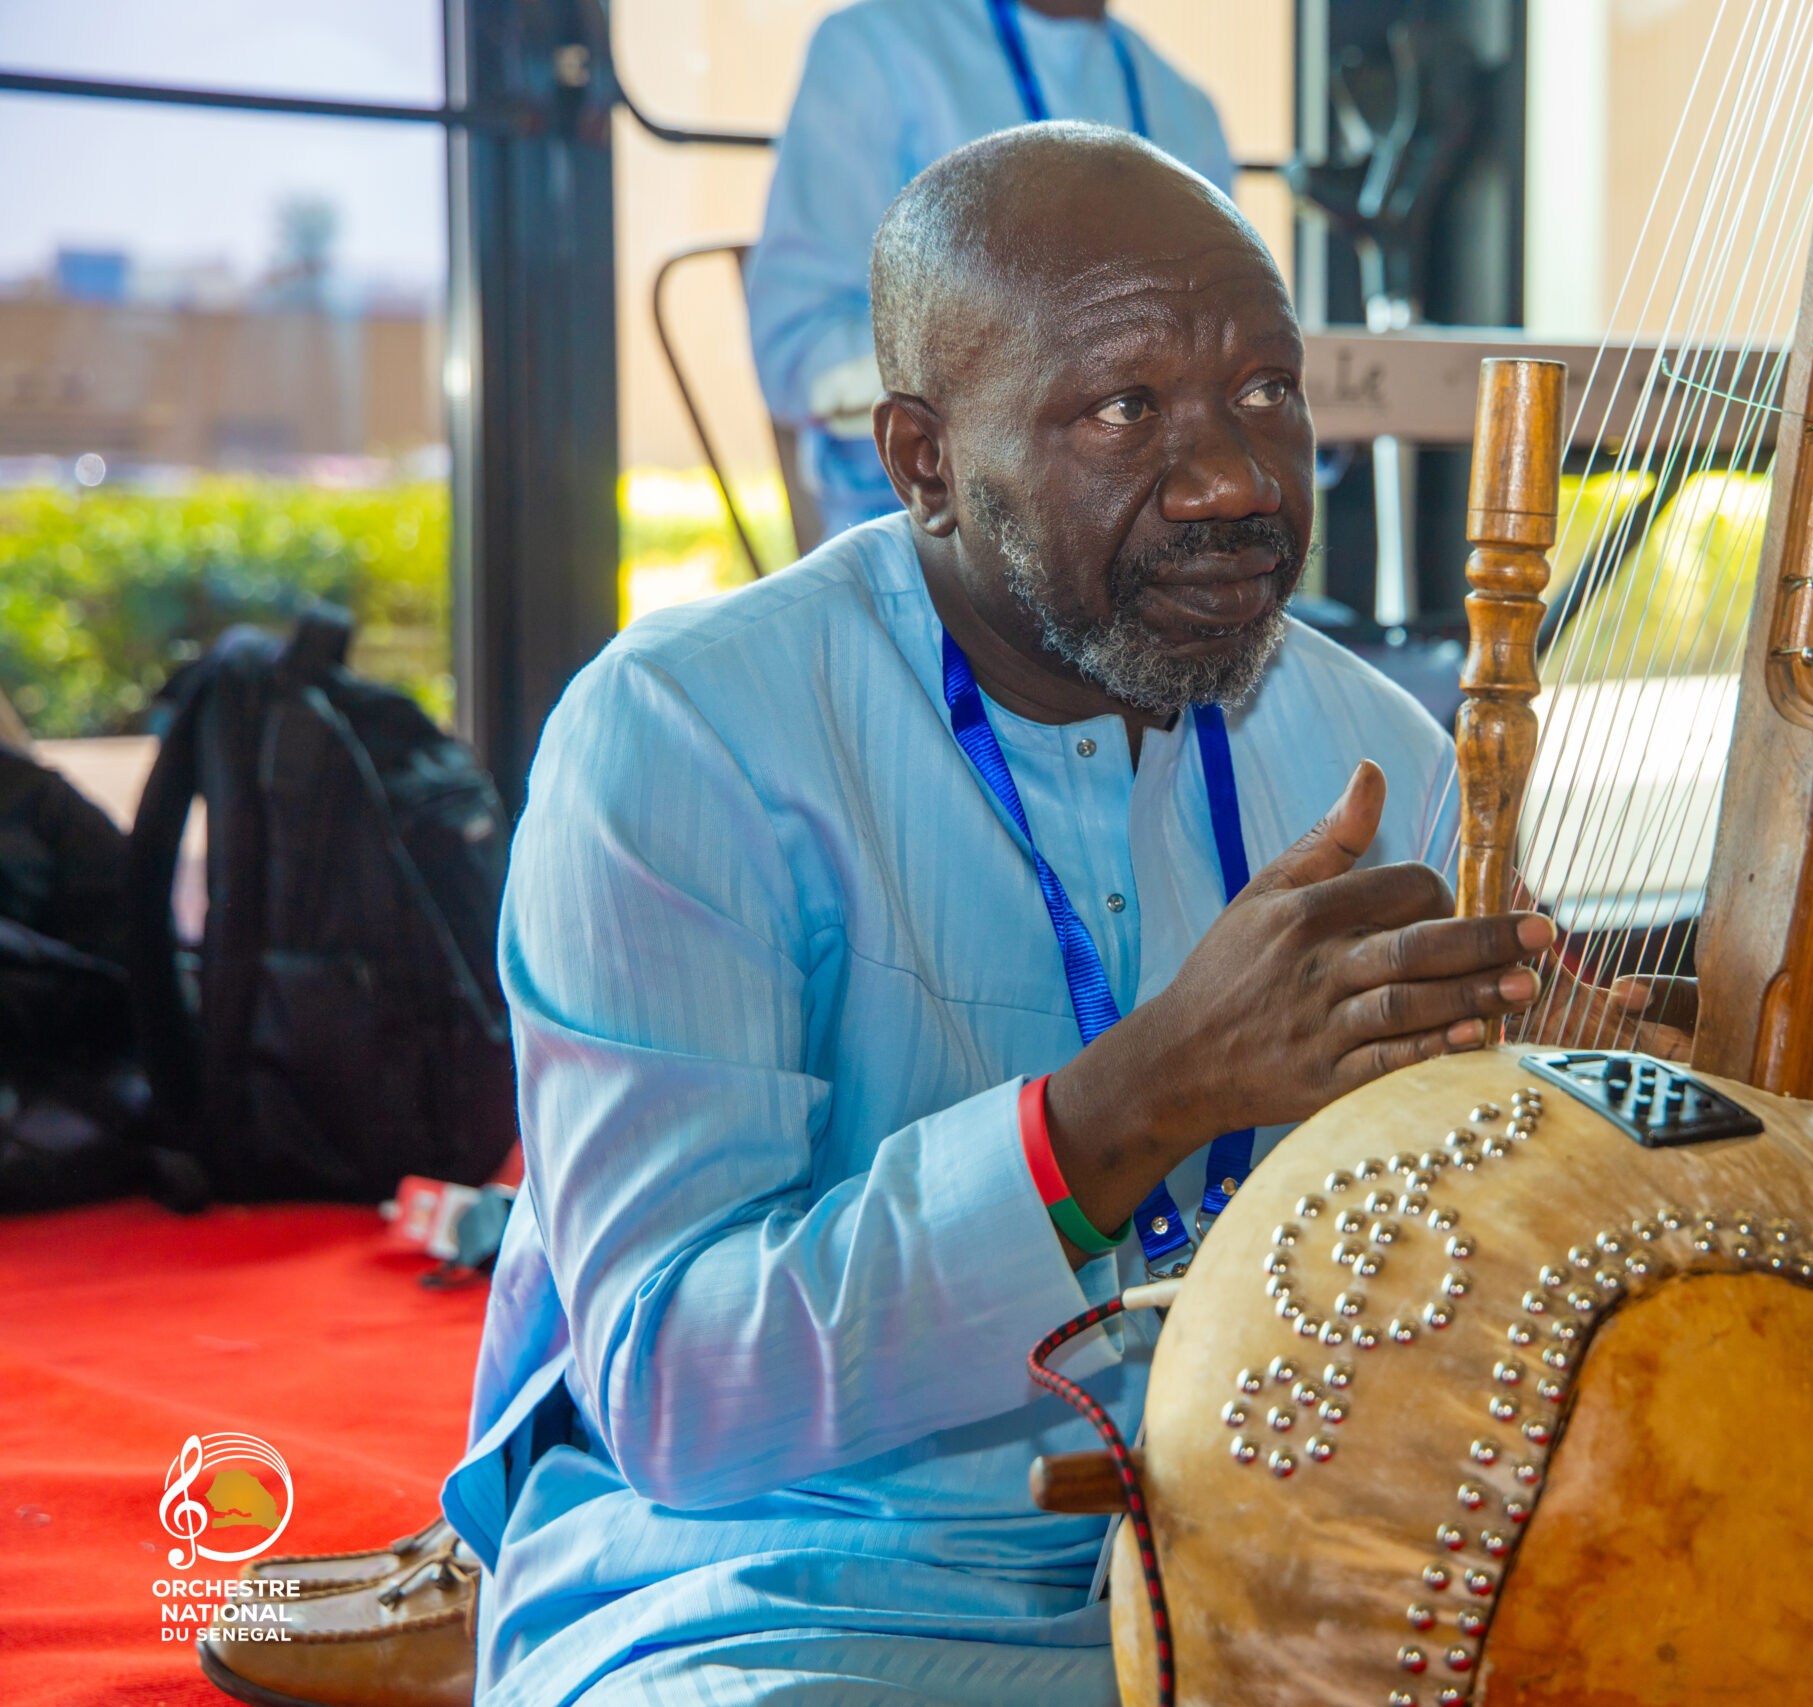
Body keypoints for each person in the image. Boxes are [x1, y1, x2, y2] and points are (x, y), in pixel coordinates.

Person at [392, 125, 1683, 1707]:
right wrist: (1137, 1100)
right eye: (1126, 407)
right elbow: (677, 1388)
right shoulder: (684, 738)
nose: (1235, 478)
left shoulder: (1376, 746)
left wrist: (1573, 1102)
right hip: (790, 1583)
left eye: (1265, 391)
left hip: (1281, 1563)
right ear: (923, 460)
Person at [748, 0, 1235, 539]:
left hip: (1164, 526)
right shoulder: (873, 49)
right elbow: (794, 348)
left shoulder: (1187, 109)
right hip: (928, 536)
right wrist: (1030, 359)